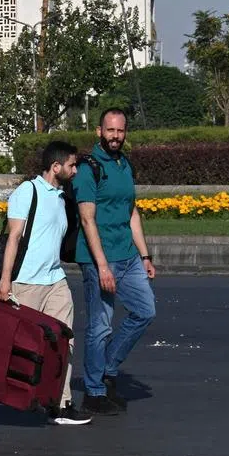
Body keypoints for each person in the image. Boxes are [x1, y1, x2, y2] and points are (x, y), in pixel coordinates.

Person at [0, 140, 92, 426]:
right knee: (4, 347)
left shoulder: (62, 197)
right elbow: (13, 237)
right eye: (72, 165)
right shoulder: (28, 192)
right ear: (55, 166)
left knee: (65, 342)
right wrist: (6, 281)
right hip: (25, 283)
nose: (75, 170)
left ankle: (60, 406)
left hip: (55, 280)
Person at [74, 108, 157, 416]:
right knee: (100, 326)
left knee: (146, 311)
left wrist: (145, 255)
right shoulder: (88, 168)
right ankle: (94, 392)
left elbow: (131, 212)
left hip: (129, 256)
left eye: (120, 131)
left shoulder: (124, 164)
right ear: (99, 132)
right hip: (100, 260)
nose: (115, 136)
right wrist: (103, 266)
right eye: (110, 130)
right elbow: (87, 218)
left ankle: (107, 367)